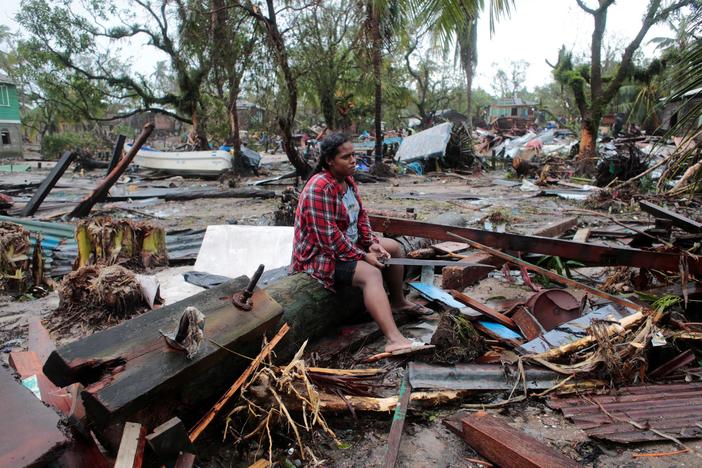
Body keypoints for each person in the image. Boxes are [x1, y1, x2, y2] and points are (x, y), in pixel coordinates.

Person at [291, 132, 432, 354]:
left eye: (354, 155)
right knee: (371, 274)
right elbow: (329, 240)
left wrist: (373, 243)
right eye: (346, 157)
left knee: (393, 248)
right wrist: (364, 256)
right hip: (319, 255)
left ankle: (398, 301)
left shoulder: (347, 181)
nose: (353, 161)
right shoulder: (319, 188)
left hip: (348, 244)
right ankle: (394, 339)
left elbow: (361, 217)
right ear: (329, 160)